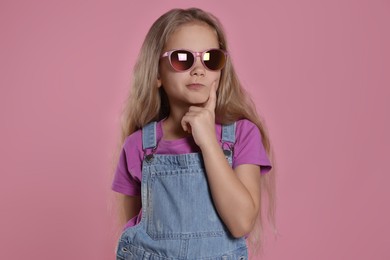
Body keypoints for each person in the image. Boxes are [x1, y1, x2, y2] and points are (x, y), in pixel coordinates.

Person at [111, 7, 276, 260]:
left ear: (221, 71)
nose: (199, 69)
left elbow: (241, 222)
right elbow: (137, 232)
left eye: (211, 59)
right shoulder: (138, 146)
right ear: (157, 73)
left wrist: (208, 141)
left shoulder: (243, 135)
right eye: (182, 59)